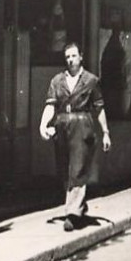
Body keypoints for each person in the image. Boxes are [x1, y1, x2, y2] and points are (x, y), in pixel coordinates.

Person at [39, 42, 111, 231]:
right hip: (62, 125)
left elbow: (99, 109)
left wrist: (105, 133)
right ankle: (78, 205)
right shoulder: (57, 81)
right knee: (65, 169)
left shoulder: (91, 81)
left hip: (82, 125)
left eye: (73, 56)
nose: (70, 60)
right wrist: (43, 123)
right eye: (68, 57)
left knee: (78, 168)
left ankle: (72, 214)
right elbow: (50, 105)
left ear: (81, 57)